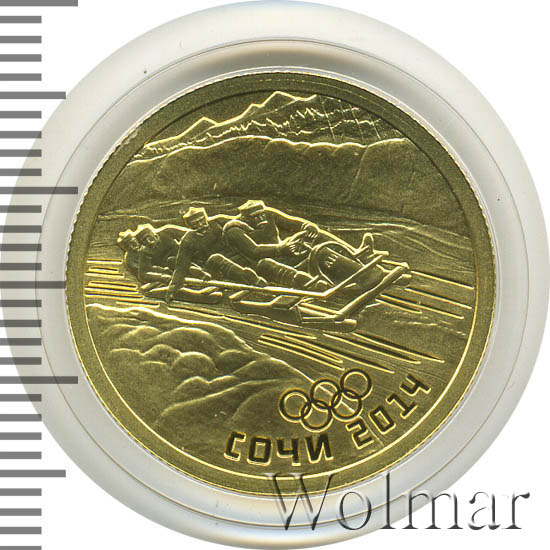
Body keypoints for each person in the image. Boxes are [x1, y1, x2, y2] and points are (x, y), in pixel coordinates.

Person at [166, 207, 266, 302]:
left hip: (233, 260)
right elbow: (181, 265)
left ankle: (254, 275)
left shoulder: (216, 222)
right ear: (189, 226)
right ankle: (249, 277)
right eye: (195, 223)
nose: (201, 224)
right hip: (214, 268)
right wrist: (173, 286)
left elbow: (236, 221)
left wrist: (248, 228)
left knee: (248, 256)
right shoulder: (188, 240)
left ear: (205, 217)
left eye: (202, 220)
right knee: (216, 258)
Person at [223, 200, 328, 289]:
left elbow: (290, 222)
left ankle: (337, 261)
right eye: (256, 217)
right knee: (266, 264)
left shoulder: (268, 214)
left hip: (284, 254)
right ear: (245, 218)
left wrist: (307, 226)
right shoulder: (234, 230)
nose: (261, 218)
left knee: (319, 246)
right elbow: (254, 251)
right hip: (260, 266)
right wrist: (280, 249)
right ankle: (311, 285)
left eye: (262, 214)